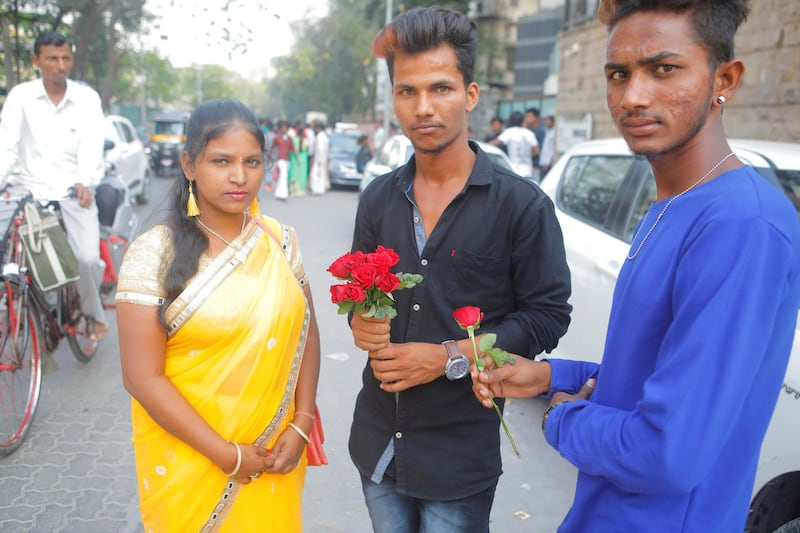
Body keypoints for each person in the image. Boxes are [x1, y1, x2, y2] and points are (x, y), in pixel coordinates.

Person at [471, 1, 800, 531]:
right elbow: (647, 377)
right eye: (618, 74)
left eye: (664, 69)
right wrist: (546, 376)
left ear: (726, 79)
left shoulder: (741, 225)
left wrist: (560, 418)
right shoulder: (675, 203)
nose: (633, 96)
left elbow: (668, 452)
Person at [347, 6, 572, 532]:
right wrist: (359, 322)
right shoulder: (379, 198)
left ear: (470, 95)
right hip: (377, 444)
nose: (423, 107)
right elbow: (358, 295)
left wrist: (448, 356)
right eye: (407, 91)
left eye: (441, 88)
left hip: (457, 458)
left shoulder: (522, 207)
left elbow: (547, 317)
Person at [116, 99, 321, 531]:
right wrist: (227, 455)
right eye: (221, 161)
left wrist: (302, 422)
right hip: (191, 457)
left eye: (252, 161)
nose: (239, 176)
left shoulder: (281, 243)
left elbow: (306, 333)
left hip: (273, 453)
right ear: (189, 164)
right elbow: (141, 378)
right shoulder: (153, 253)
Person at [0, 31, 108, 341]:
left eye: (66, 58)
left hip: (74, 191)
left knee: (87, 258)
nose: (60, 65)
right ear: (36, 61)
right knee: (10, 250)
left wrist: (85, 182)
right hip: (28, 191)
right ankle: (20, 303)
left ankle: (92, 314)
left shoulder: (86, 98)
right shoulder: (21, 96)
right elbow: (7, 147)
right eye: (52, 59)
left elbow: (92, 145)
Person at [490, 110, 537, 179]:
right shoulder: (529, 133)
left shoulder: (510, 131)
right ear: (522, 121)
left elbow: (496, 142)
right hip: (528, 171)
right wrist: (526, 155)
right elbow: (537, 151)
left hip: (515, 171)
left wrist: (482, 145)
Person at [270, 119, 296, 201]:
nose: (284, 129)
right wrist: (269, 157)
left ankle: (278, 193)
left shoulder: (289, 138)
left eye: (286, 128)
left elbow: (292, 148)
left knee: (282, 176)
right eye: (283, 128)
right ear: (280, 128)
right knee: (284, 176)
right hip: (280, 159)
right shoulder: (277, 138)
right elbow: (272, 148)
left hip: (287, 160)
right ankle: (284, 195)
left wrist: (296, 158)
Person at [524, 107, 545, 180]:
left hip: (535, 167)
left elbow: (538, 151)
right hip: (525, 167)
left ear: (536, 118)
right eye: (526, 117)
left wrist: (524, 155)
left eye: (530, 116)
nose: (527, 119)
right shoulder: (526, 130)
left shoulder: (540, 131)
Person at [308, 121, 329, 195]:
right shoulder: (324, 136)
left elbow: (320, 149)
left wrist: (319, 160)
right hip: (322, 159)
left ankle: (315, 188)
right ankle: (320, 188)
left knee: (314, 174)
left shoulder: (320, 136)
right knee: (321, 174)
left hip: (319, 159)